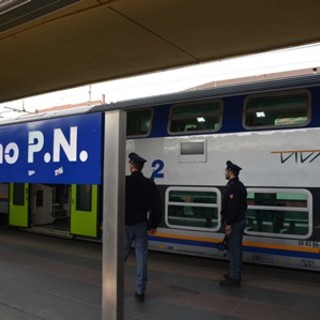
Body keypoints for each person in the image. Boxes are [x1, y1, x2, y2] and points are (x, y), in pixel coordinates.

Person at [124, 152, 162, 302]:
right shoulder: (149, 184)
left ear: (132, 165)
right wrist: (153, 225)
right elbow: (157, 208)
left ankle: (113, 286)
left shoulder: (124, 182)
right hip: (141, 225)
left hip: (124, 225)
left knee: (120, 257)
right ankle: (140, 291)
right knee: (142, 257)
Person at [219, 160, 247, 287]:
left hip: (234, 222)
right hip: (239, 220)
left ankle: (234, 278)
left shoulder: (233, 187)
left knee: (234, 249)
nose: (225, 172)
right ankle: (234, 272)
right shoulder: (239, 185)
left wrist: (229, 224)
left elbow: (232, 207)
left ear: (230, 172)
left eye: (226, 170)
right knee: (235, 249)